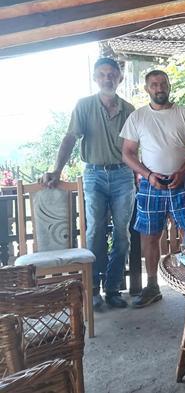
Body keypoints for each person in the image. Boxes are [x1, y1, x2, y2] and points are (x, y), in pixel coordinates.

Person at [42, 57, 134, 310]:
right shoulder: (84, 105)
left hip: (123, 175)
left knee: (122, 233)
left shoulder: (129, 109)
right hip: (94, 174)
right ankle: (92, 289)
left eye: (112, 75)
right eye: (102, 74)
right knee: (94, 230)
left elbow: (137, 146)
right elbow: (70, 137)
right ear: (95, 78)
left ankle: (113, 289)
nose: (107, 79)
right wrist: (57, 170)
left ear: (119, 78)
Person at [120, 70, 185, 308]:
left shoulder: (184, 113)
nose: (159, 88)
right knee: (149, 235)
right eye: (154, 84)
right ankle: (152, 286)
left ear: (169, 86)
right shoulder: (138, 117)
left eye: (163, 84)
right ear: (147, 89)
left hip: (182, 183)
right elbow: (127, 153)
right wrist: (148, 175)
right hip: (151, 184)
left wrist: (183, 172)